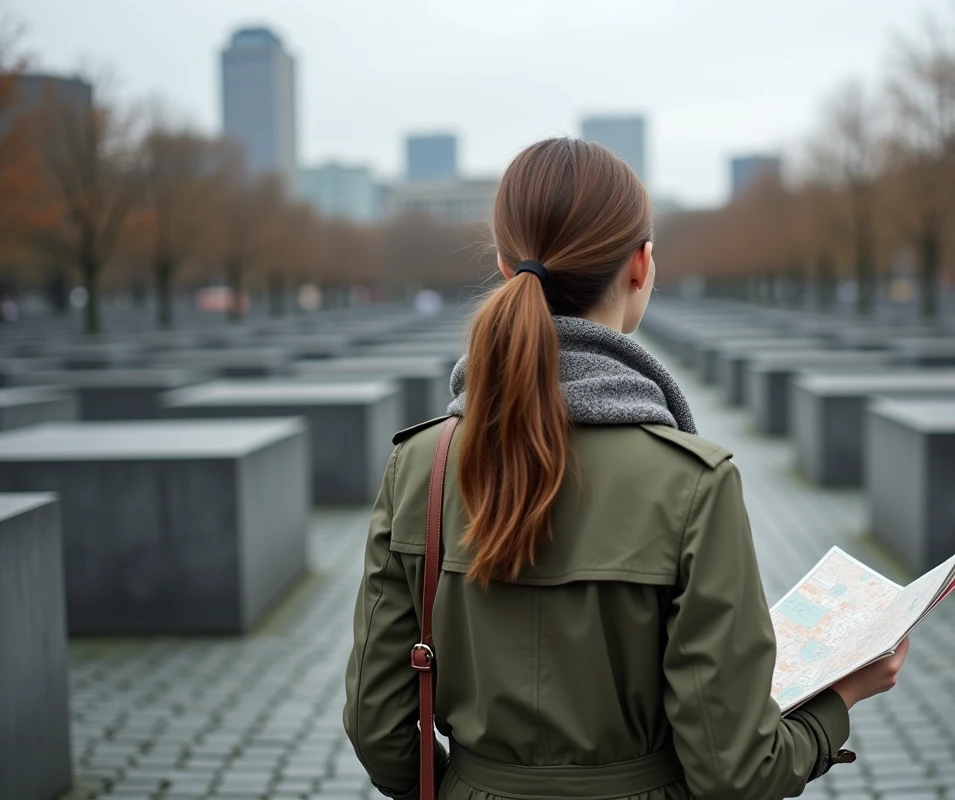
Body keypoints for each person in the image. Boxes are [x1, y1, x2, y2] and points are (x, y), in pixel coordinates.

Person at [344, 137, 909, 800]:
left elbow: (378, 724)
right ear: (641, 265)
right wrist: (838, 698)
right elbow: (735, 770)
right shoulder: (695, 482)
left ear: (503, 265)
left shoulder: (420, 466)